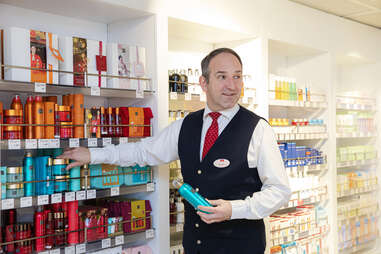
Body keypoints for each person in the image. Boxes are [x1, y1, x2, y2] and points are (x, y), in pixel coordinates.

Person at [59, 48, 291, 254]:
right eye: (222, 77)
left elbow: (279, 191)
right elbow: (144, 152)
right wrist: (93, 155)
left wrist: (234, 209)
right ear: (204, 82)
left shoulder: (258, 129)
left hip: (241, 247)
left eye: (237, 77)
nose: (232, 85)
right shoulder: (186, 125)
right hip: (195, 245)